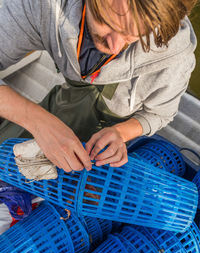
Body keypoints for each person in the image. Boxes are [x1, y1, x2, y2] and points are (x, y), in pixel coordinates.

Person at [0, 0, 197, 173]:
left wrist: (121, 132)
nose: (114, 47)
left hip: (109, 139)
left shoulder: (176, 58)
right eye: (108, 24)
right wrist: (39, 122)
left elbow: (160, 114)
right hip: (63, 102)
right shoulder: (42, 5)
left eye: (132, 37)